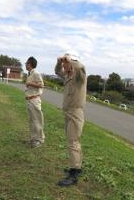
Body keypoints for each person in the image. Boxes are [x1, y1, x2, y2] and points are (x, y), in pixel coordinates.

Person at [55, 53, 87, 187]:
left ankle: (74, 173)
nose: (64, 65)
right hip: (68, 112)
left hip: (75, 112)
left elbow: (82, 68)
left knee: (73, 142)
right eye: (64, 63)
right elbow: (57, 71)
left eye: (66, 63)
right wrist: (58, 61)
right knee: (74, 141)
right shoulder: (67, 76)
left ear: (72, 63)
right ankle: (77, 167)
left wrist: (71, 60)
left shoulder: (79, 76)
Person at [25, 56, 45, 148]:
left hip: (34, 100)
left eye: (27, 63)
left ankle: (39, 140)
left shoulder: (36, 73)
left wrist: (30, 83)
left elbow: (41, 85)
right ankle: (33, 139)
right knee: (32, 121)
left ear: (30, 64)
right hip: (30, 100)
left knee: (37, 120)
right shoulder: (30, 74)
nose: (25, 64)